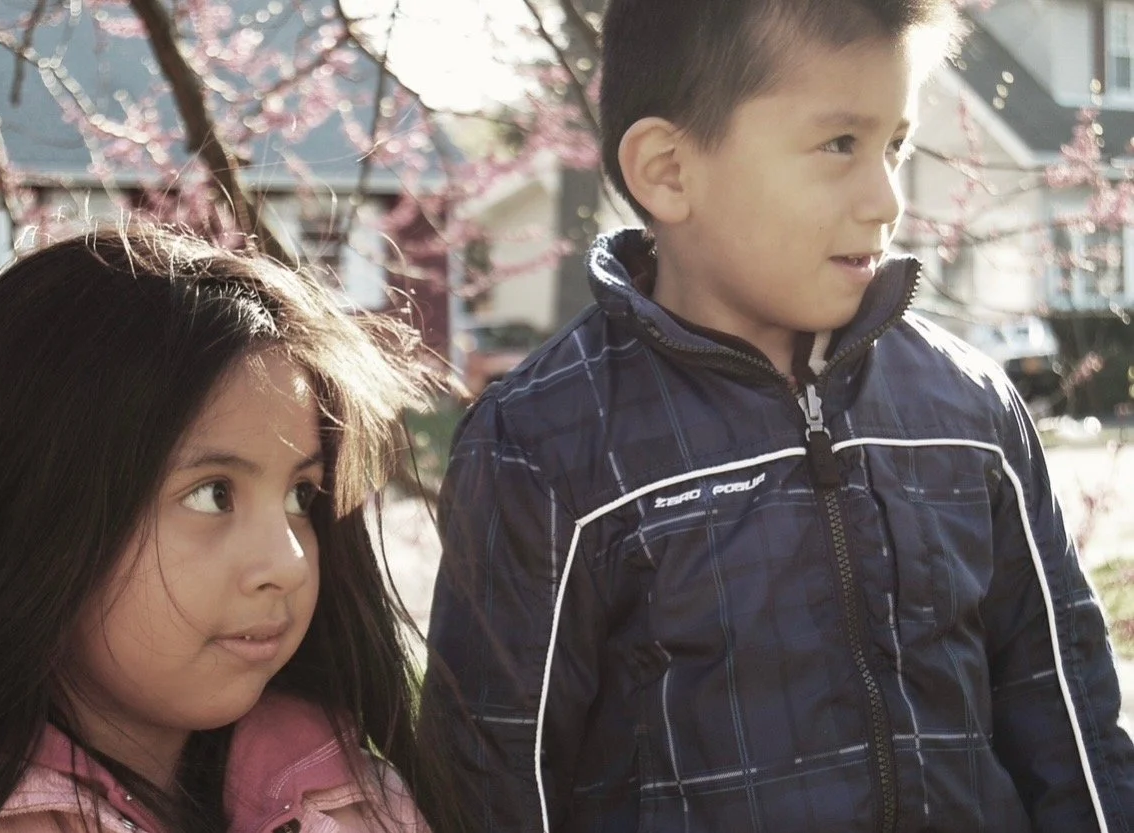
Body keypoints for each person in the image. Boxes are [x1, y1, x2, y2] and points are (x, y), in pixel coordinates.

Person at [421, 0, 1134, 831]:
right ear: (670, 170)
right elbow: (493, 784)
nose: (885, 199)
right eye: (840, 145)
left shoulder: (968, 409)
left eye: (894, 144)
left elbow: (1069, 725)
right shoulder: (542, 444)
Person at [0, 225, 465, 833]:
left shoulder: (366, 804)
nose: (288, 563)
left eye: (301, 496)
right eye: (212, 494)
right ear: (28, 512)